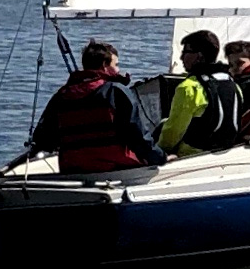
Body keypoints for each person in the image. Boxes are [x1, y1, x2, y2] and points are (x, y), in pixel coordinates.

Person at [30, 39, 166, 172]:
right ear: (105, 65)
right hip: (117, 167)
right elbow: (138, 137)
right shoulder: (116, 91)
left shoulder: (61, 95)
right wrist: (161, 158)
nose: (118, 70)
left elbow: (44, 139)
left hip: (72, 169)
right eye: (116, 64)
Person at [158, 30, 242, 157]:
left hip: (191, 154)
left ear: (199, 56)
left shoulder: (189, 88)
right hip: (224, 152)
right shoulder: (233, 85)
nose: (181, 57)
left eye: (185, 52)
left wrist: (158, 151)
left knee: (162, 126)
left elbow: (174, 130)